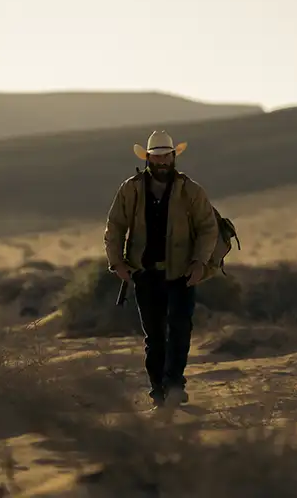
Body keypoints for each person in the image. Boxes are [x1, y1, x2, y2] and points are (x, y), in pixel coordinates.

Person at [104, 130, 219, 408]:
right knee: (154, 337)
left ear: (174, 156)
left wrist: (199, 263)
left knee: (180, 330)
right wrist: (117, 263)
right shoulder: (130, 189)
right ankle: (158, 390)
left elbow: (207, 228)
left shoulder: (190, 190)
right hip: (144, 273)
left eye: (166, 156)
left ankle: (175, 385)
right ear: (148, 158)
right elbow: (115, 226)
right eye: (156, 157)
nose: (162, 161)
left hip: (182, 273)